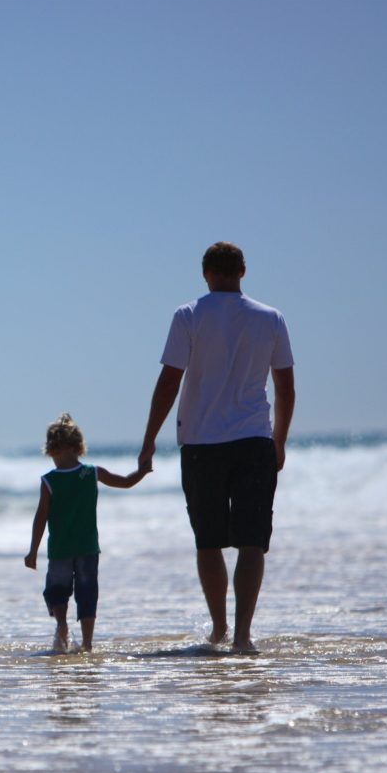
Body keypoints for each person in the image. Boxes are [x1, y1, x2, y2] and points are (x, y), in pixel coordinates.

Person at [137, 242, 296, 653]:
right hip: (254, 440)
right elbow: (285, 388)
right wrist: (279, 440)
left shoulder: (189, 315)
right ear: (243, 270)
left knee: (207, 541)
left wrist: (149, 438)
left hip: (201, 443)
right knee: (252, 541)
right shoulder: (271, 318)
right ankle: (243, 635)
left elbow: (169, 382)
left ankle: (219, 628)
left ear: (205, 273)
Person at [24, 413, 149, 653]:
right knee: (87, 593)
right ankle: (87, 643)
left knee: (57, 591)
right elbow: (124, 482)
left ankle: (62, 624)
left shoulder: (49, 480)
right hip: (87, 549)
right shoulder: (91, 473)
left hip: (60, 549)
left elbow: (40, 518)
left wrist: (32, 551)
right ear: (78, 447)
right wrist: (141, 472)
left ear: (53, 450)